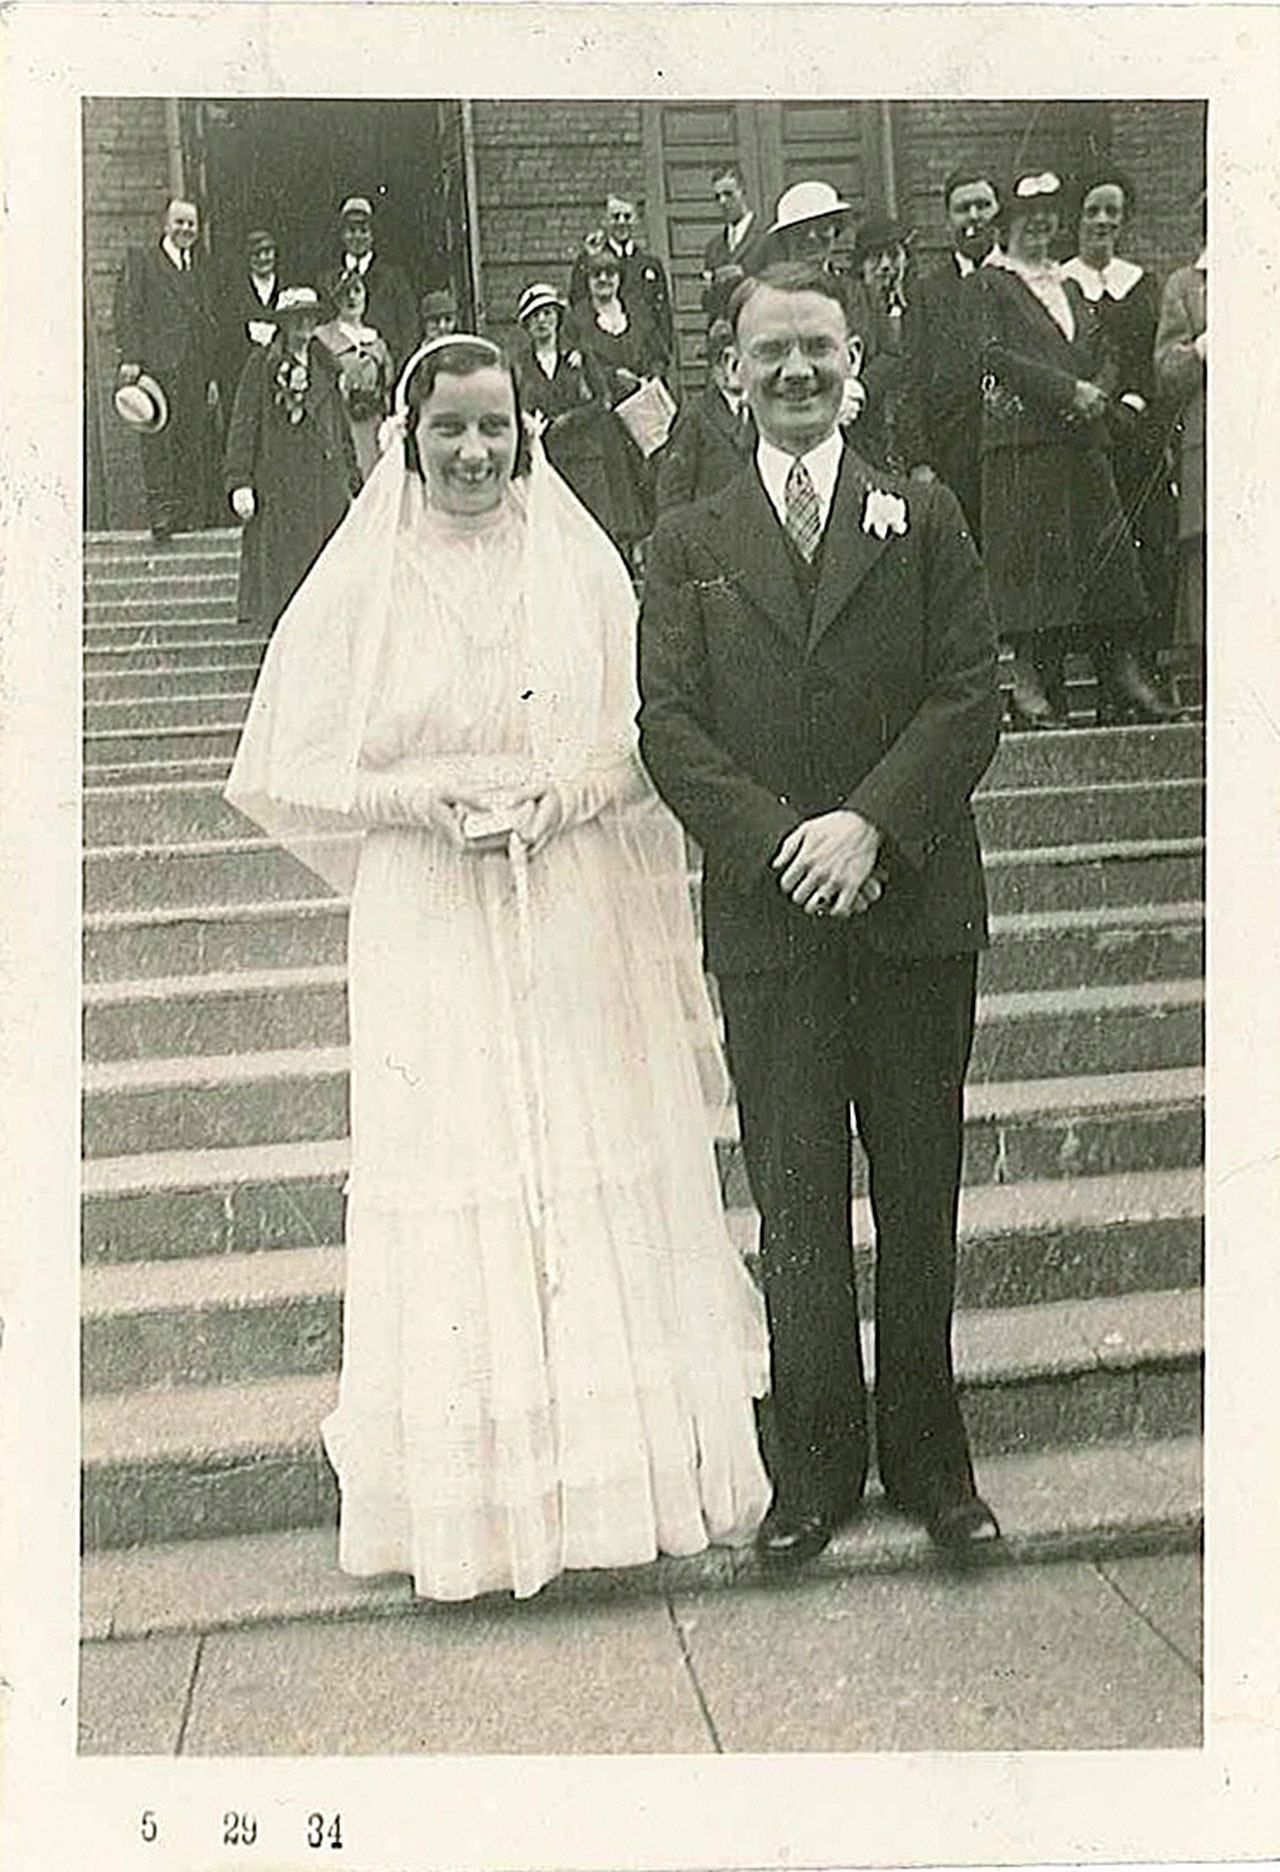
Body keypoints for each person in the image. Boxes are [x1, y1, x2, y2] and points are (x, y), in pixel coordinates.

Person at [224, 332, 771, 1602]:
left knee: (579, 1142)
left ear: (526, 435)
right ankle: (472, 1512)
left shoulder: (575, 566)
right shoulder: (366, 575)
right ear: (406, 440)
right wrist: (418, 803)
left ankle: (609, 1488)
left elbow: (650, 740)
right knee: (456, 1151)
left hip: (562, 887)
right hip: (425, 909)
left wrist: (560, 797)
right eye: (448, 430)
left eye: (493, 428)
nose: (472, 453)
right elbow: (293, 762)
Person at [638, 262, 1004, 1566]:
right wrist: (783, 842)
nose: (796, 372)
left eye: (818, 350)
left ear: (854, 365)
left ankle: (932, 1465)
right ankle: (814, 1470)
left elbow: (969, 693)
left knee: (917, 1192)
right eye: (770, 352)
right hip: (774, 921)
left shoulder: (924, 512)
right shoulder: (687, 540)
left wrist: (870, 826)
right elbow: (668, 726)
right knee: (794, 1203)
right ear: (729, 373)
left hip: (909, 911)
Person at [968, 170, 1160, 726]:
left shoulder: (1069, 286)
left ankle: (1120, 680)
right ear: (1007, 226)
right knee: (1037, 570)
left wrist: (1096, 390)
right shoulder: (990, 284)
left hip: (1081, 440)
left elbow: (1103, 348)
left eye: (1048, 218)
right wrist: (1065, 391)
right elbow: (994, 353)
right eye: (1028, 219)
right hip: (1025, 447)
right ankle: (1030, 686)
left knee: (1105, 561)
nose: (1039, 227)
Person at [1062, 170, 1178, 699]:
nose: (1103, 221)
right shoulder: (1061, 284)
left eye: (1113, 211)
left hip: (1137, 435)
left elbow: (1155, 357)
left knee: (1147, 545)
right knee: (1096, 551)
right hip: (1084, 439)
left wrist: (1135, 403)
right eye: (1093, 210)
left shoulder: (1143, 284)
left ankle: (1142, 665)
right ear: (1076, 218)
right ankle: (1104, 670)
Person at [223, 286, 361, 632]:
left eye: (310, 317)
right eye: (296, 318)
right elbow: (243, 424)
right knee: (285, 581)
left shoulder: (327, 366)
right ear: (283, 323)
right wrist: (240, 481)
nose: (304, 324)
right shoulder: (262, 365)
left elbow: (340, 428)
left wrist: (353, 479)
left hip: (324, 487)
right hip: (280, 487)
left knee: (328, 577)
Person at [902, 168, 1003, 537]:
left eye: (983, 205)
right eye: (962, 209)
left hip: (1019, 456)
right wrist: (920, 462)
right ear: (948, 219)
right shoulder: (928, 293)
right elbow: (912, 382)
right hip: (956, 461)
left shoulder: (1021, 278)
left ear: (999, 211)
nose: (974, 216)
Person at [113, 196, 220, 539]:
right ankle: (162, 514)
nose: (186, 229)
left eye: (191, 224)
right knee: (158, 440)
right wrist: (131, 357)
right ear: (165, 225)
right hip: (156, 369)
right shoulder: (143, 261)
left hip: (194, 369)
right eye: (180, 222)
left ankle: (187, 515)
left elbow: (208, 323)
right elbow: (127, 309)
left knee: (191, 440)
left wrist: (211, 377)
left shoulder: (200, 267)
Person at [572, 251, 662, 560]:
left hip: (642, 407)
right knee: (619, 479)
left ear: (619, 278)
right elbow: (579, 363)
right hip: (607, 412)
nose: (604, 280)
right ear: (588, 280)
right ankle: (623, 549)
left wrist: (650, 377)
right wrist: (612, 376)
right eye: (596, 275)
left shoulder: (636, 313)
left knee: (651, 471)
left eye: (610, 273)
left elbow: (658, 351)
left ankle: (650, 547)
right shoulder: (579, 318)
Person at [1154, 213, 1207, 653]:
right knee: (1205, 550)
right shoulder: (1186, 286)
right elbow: (1167, 372)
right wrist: (1201, 349)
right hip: (1209, 440)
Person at [654, 318, 756, 512]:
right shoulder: (696, 416)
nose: (735, 368)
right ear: (714, 369)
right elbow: (672, 493)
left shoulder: (762, 414)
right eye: (725, 360)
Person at [569, 194, 674, 373]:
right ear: (605, 221)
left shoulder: (650, 264)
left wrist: (661, 360)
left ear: (636, 220)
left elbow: (663, 315)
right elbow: (578, 301)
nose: (621, 222)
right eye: (615, 217)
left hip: (644, 358)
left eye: (627, 216)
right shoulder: (594, 261)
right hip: (604, 358)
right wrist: (588, 258)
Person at [316, 269, 394, 480]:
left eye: (357, 291)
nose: (352, 298)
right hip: (339, 421)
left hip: (371, 423)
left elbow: (387, 385)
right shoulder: (323, 338)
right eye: (345, 293)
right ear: (335, 299)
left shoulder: (376, 341)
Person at [330, 195, 418, 377]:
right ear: (342, 235)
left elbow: (410, 331)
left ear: (373, 235)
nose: (357, 237)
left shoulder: (394, 278)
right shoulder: (328, 279)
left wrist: (398, 373)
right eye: (351, 230)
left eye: (364, 230)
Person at [218, 227, 281, 411]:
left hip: (276, 370)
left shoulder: (284, 287)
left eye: (267, 252)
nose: (263, 258)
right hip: (241, 370)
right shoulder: (235, 290)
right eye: (256, 254)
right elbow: (226, 331)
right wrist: (246, 331)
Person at [701, 163, 767, 323]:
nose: (722, 201)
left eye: (728, 194)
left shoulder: (766, 237)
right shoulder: (714, 247)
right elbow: (708, 304)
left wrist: (743, 273)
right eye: (717, 197)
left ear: (743, 192)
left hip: (759, 326)